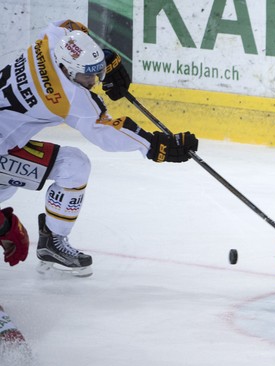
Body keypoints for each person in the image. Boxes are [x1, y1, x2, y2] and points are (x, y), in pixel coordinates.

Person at [0, 20, 198, 277]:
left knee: (66, 167)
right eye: (87, 76)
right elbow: (106, 132)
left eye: (97, 73)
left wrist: (105, 59)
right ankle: (52, 241)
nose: (93, 81)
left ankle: (52, 242)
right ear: (67, 70)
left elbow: (70, 27)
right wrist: (154, 145)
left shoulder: (50, 40)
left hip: (6, 141)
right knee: (73, 167)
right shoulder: (70, 97)